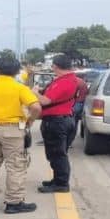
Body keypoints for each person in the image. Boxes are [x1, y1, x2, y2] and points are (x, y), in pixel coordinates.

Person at [0, 57, 42, 214]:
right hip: (12, 130)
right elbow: (36, 107)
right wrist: (29, 122)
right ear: (17, 72)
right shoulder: (20, 88)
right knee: (15, 166)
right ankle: (13, 202)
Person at [32, 54, 79, 193]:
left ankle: (61, 183)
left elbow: (45, 101)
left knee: (57, 154)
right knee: (56, 153)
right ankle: (58, 179)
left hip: (57, 121)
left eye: (52, 66)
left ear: (56, 67)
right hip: (62, 119)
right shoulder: (70, 80)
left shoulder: (64, 82)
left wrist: (34, 93)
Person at [67, 75, 88, 149]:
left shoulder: (74, 81)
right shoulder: (83, 82)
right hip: (79, 104)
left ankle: (65, 142)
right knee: (74, 124)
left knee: (67, 123)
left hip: (73, 104)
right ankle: (69, 142)